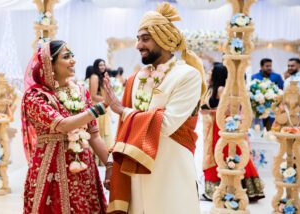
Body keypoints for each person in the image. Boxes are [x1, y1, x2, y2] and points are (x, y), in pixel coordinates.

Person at [103, 2, 206, 214]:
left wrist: (122, 110)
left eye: (145, 38)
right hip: (135, 169)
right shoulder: (136, 78)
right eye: (138, 38)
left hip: (171, 168)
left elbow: (167, 125)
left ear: (164, 39)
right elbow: (123, 128)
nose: (138, 45)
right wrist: (113, 162)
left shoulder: (187, 75)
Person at [21, 40, 110, 213]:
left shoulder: (81, 92)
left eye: (73, 56)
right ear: (50, 64)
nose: (73, 60)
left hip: (83, 169)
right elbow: (62, 125)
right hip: (51, 169)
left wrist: (110, 165)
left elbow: (93, 134)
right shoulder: (35, 96)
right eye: (66, 57)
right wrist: (100, 107)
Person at [201, 63, 265, 201]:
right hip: (212, 127)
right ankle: (219, 188)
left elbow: (228, 110)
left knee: (220, 155)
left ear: (217, 74)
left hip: (220, 128)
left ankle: (229, 188)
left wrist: (209, 112)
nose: (208, 74)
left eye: (211, 71)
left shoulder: (221, 89)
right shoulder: (212, 89)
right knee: (216, 156)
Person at [251, 58, 284, 130]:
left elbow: (281, 90)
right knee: (258, 128)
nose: (269, 68)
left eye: (270, 66)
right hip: (259, 107)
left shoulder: (277, 76)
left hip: (273, 107)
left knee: (273, 128)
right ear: (261, 67)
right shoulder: (254, 77)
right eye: (267, 66)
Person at [89, 59, 113, 149]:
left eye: (103, 65)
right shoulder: (94, 77)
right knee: (98, 132)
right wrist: (107, 100)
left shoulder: (102, 77)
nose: (102, 67)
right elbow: (93, 96)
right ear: (96, 66)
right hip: (97, 107)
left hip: (103, 105)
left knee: (104, 133)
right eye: (100, 65)